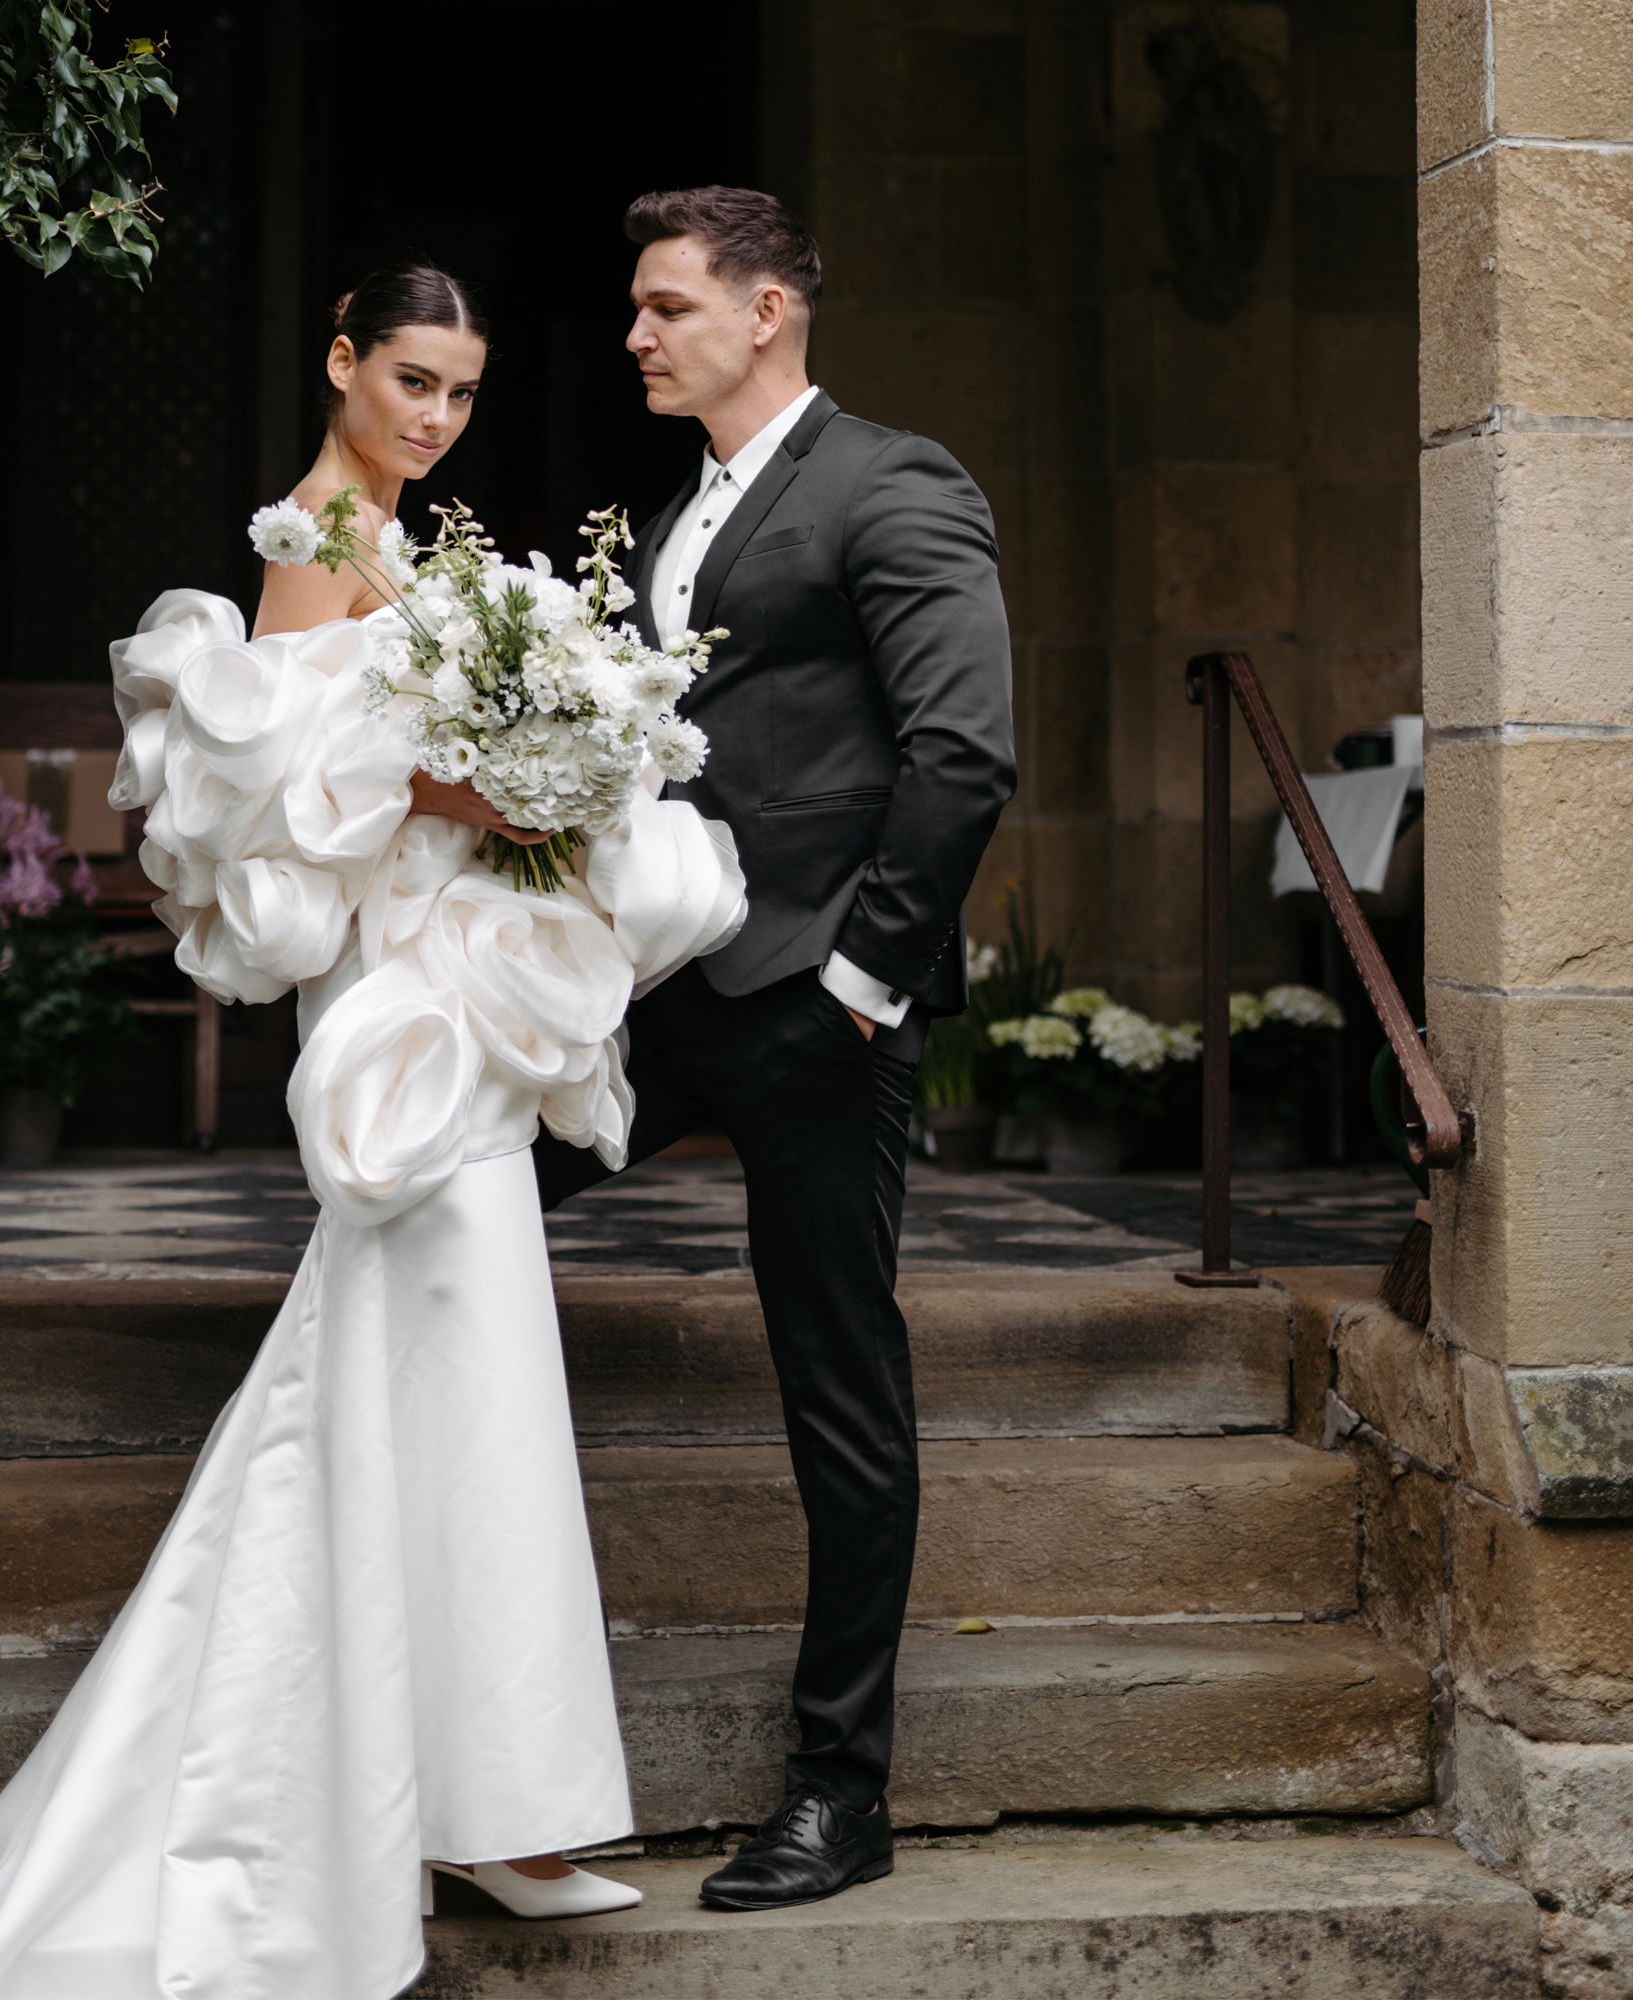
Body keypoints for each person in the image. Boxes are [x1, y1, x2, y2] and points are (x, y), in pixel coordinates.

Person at [0, 262, 746, 2000]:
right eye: (411, 378)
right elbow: (301, 799)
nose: (436, 416)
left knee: (459, 1346)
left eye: (463, 392)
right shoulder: (316, 539)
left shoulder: (408, 545)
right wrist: (494, 781)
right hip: (400, 995)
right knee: (437, 1322)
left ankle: (488, 1799)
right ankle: (430, 1804)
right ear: (341, 360)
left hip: (459, 971)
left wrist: (547, 774)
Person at [535, 187, 1016, 1914]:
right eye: (638, 307)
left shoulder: (894, 482)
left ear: (768, 312)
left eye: (668, 306)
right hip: (657, 996)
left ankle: (839, 1793)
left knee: (839, 1385)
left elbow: (963, 752)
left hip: (817, 1006)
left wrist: (861, 988)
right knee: (454, 1191)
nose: (638, 335)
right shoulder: (678, 514)